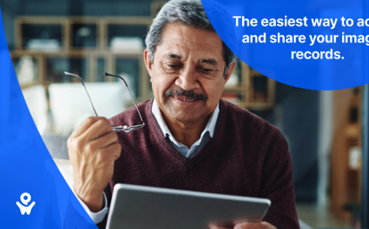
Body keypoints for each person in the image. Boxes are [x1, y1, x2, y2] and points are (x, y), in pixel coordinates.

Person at [67, 0, 299, 228]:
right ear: (149, 63)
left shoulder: (266, 144)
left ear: (227, 74)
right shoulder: (104, 146)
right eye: (173, 64)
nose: (187, 83)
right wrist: (86, 197)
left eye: (206, 69)